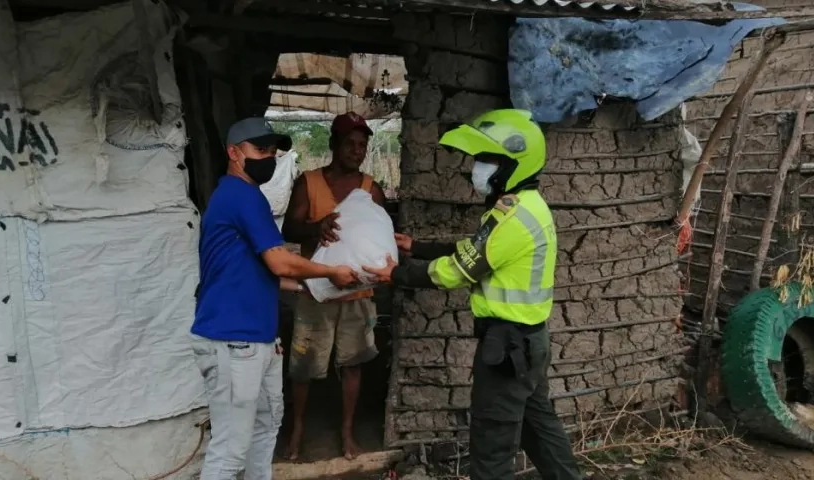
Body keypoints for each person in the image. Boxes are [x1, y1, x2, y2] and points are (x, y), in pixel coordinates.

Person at [364, 109, 582, 480]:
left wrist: (397, 274)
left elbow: (459, 270)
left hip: (508, 348)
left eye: (488, 159)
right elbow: (477, 249)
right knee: (539, 428)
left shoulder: (513, 218)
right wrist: (419, 246)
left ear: (514, 164)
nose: (478, 168)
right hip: (529, 342)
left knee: (492, 447)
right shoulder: (525, 207)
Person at [191, 116, 360, 480]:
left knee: (266, 427)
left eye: (272, 151)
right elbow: (280, 261)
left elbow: (256, 270)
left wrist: (307, 287)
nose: (268, 157)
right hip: (234, 338)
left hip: (258, 339)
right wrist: (331, 272)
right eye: (259, 150)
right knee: (231, 450)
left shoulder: (243, 196)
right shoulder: (240, 196)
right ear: (234, 153)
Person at [281, 111, 387, 460]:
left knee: (353, 364)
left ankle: (346, 432)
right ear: (333, 144)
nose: (357, 151)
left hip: (357, 293)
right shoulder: (309, 183)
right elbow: (289, 230)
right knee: (304, 366)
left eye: (362, 145)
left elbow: (384, 234)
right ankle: (297, 430)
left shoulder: (371, 189)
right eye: (350, 144)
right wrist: (317, 227)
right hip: (317, 292)